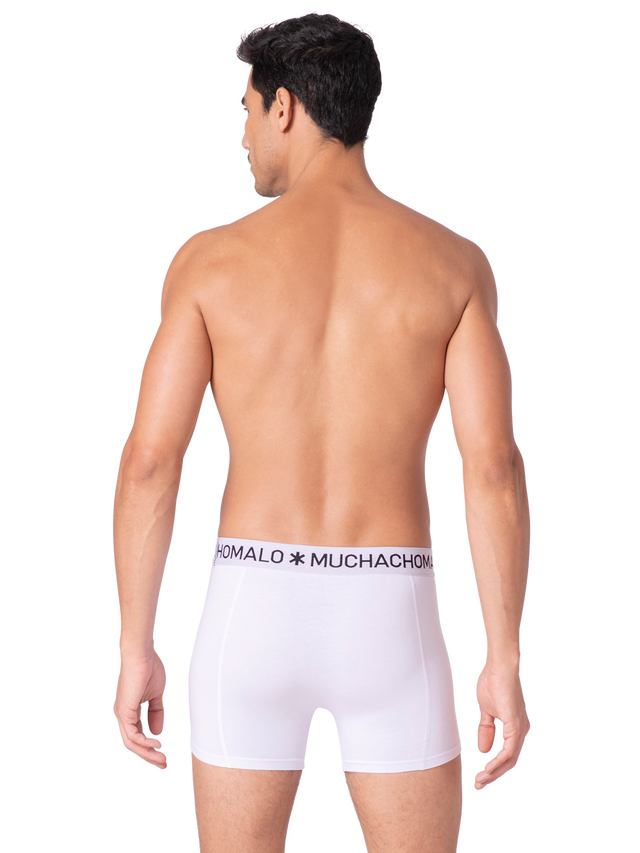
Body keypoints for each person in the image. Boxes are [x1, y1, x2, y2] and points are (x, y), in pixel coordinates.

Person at [110, 10, 532, 853]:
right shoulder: (453, 263)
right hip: (391, 610)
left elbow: (152, 462)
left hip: (251, 606)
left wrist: (135, 644)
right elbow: (492, 467)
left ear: (286, 107)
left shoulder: (208, 262)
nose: (243, 135)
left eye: (245, 109)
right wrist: (504, 657)